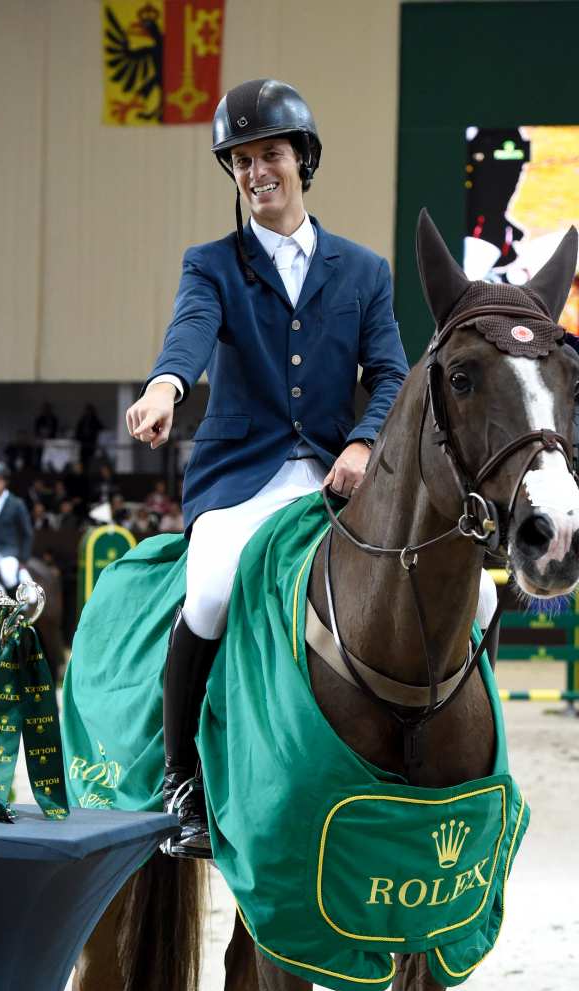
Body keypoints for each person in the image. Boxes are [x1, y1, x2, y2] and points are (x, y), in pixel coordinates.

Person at [125, 79, 408, 858]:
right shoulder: (211, 264)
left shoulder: (364, 271)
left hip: (335, 470)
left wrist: (361, 442)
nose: (256, 171)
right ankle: (183, 781)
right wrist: (165, 386)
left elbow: (390, 372)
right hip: (240, 474)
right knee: (212, 588)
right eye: (242, 160)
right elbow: (189, 332)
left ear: (302, 159)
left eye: (270, 154)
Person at [0, 461, 34, 592]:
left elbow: (27, 533)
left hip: (8, 551)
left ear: (5, 482)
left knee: (8, 574)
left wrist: (23, 560)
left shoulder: (16, 504)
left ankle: (19, 601)